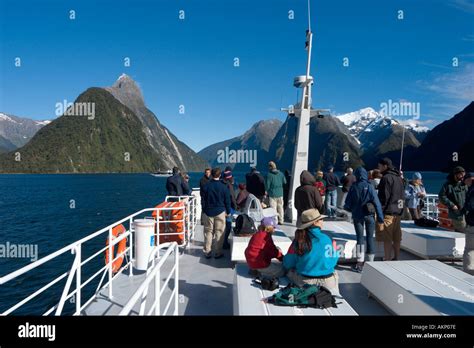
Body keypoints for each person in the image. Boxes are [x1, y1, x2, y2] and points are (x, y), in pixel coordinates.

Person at [283, 209, 339, 295]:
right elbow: (333, 262)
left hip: (305, 282)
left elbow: (288, 263)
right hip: (327, 283)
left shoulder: (299, 240)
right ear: (315, 223)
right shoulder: (327, 239)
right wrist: (335, 251)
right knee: (334, 272)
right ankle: (334, 294)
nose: (322, 221)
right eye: (320, 219)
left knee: (288, 271)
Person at [344, 167, 384, 272]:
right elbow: (377, 203)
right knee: (370, 238)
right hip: (370, 216)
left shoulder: (353, 187)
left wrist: (351, 208)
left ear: (356, 175)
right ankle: (370, 263)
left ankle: (360, 263)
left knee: (360, 239)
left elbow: (347, 204)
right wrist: (380, 218)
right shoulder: (370, 187)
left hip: (357, 216)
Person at [376, 158, 405, 261]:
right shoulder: (399, 178)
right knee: (397, 237)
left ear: (385, 166)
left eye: (380, 166)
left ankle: (387, 258)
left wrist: (380, 212)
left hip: (388, 212)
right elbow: (402, 195)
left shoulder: (386, 178)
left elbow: (384, 197)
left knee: (387, 238)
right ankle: (396, 257)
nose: (378, 168)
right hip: (398, 212)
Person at [201, 167, 231, 259]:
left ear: (211, 174)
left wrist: (204, 210)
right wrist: (228, 211)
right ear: (220, 175)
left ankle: (207, 252)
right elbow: (227, 201)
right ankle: (218, 253)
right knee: (219, 232)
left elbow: (203, 200)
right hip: (220, 212)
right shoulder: (224, 187)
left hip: (208, 212)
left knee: (208, 232)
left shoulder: (206, 186)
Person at [439, 166, 468, 232]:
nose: (462, 176)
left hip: (466, 212)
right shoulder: (448, 185)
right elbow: (441, 196)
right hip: (457, 214)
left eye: (464, 175)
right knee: (463, 231)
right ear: (455, 174)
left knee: (468, 231)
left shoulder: (464, 184)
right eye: (461, 175)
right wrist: (452, 205)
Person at [221, 167, 237, 250]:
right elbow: (232, 197)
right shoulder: (229, 185)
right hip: (228, 208)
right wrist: (235, 206)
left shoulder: (221, 183)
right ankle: (224, 243)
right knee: (228, 225)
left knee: (222, 225)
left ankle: (220, 242)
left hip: (221, 207)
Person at [462, 172, 474, 275]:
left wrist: (465, 209)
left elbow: (470, 206)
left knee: (469, 249)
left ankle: (467, 274)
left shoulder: (472, 190)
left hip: (472, 224)